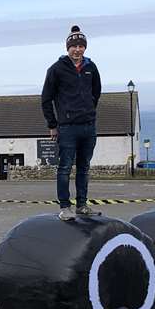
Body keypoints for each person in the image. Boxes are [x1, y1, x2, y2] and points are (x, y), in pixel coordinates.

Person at [41, 25, 101, 220]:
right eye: (73, 46)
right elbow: (46, 98)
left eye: (81, 46)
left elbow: (96, 92)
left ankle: (82, 204)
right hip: (67, 128)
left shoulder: (91, 68)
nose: (77, 49)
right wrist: (52, 124)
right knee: (65, 167)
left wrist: (89, 110)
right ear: (67, 48)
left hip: (88, 126)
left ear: (85, 48)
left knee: (84, 167)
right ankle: (65, 206)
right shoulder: (56, 69)